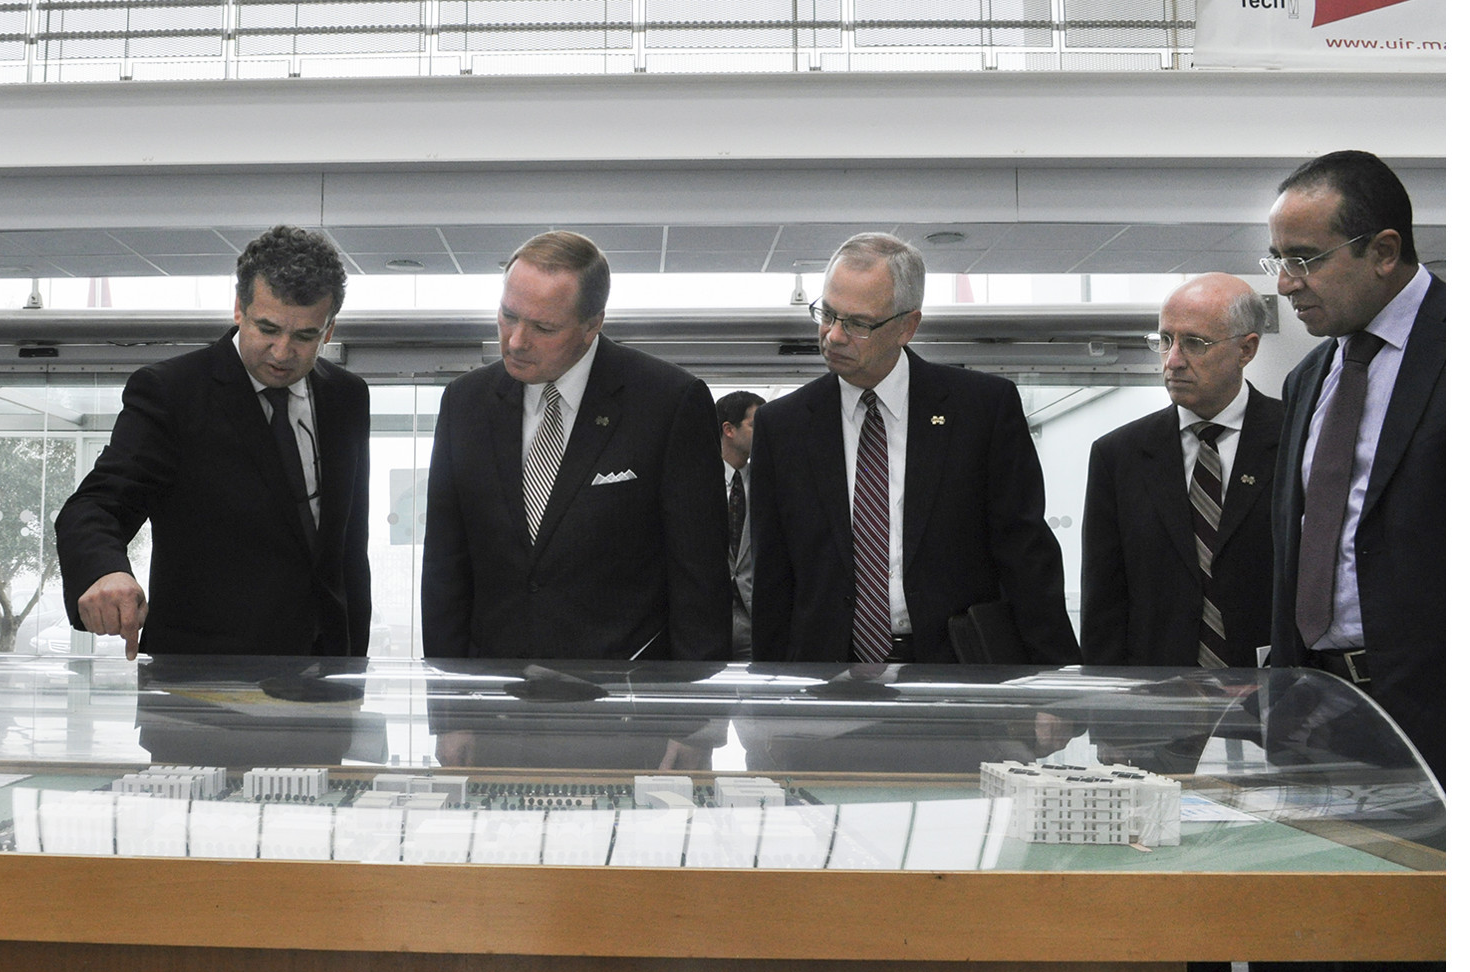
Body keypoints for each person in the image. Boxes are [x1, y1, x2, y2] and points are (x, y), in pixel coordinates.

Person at [1082, 275, 1328, 972]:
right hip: (1162, 736)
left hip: (1282, 727)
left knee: (1287, 921)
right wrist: (1112, 727)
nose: (1172, 358)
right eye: (1163, 339)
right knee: (1181, 930)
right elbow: (1106, 604)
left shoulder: (1299, 438)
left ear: (1248, 346)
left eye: (1193, 342)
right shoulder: (1120, 454)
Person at [1267, 152, 1443, 972]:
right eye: (1277, 259)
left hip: (1437, 720)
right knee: (1358, 966)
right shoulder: (1312, 379)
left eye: (1305, 258)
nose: (1287, 283)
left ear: (1383, 248)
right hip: (1326, 721)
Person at [750, 233, 1075, 664]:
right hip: (826, 679)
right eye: (827, 313)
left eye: (858, 323)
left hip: (956, 673)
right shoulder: (783, 425)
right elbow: (773, 578)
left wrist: (1054, 677)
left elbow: (1025, 554)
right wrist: (773, 693)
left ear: (908, 326)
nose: (833, 335)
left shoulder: (980, 411)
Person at [56, 225, 370, 658]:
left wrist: (355, 665)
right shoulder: (171, 393)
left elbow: (347, 548)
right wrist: (105, 571)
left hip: (327, 671)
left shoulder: (347, 397)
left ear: (329, 330)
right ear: (239, 308)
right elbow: (95, 506)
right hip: (201, 679)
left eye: (304, 336)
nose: (281, 352)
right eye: (268, 328)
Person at [421, 231, 731, 661]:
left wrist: (693, 716)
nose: (515, 341)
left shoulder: (668, 402)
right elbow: (445, 568)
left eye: (543, 327)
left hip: (624, 696)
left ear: (592, 325)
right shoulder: (464, 403)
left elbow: (700, 577)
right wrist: (449, 698)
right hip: (493, 696)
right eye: (508, 316)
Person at [716, 390, 761, 659]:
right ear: (729, 429)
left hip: (756, 617)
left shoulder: (768, 481)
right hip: (709, 614)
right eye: (755, 425)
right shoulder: (696, 480)